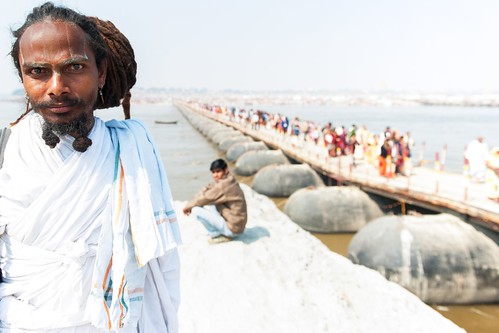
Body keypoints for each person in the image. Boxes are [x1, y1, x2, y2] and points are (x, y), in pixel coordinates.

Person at [0, 2, 181, 332]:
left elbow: (163, 266)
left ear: (102, 72)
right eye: (38, 71)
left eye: (74, 67)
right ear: (23, 77)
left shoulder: (132, 152)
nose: (56, 87)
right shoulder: (5, 150)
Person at [183, 159, 247, 244]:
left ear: (225, 170)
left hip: (233, 230)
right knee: (210, 204)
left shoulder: (223, 185)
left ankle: (216, 234)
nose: (215, 175)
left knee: (196, 210)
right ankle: (220, 231)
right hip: (238, 226)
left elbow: (205, 198)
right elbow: (208, 188)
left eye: (218, 171)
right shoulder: (229, 179)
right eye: (213, 172)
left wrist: (188, 206)